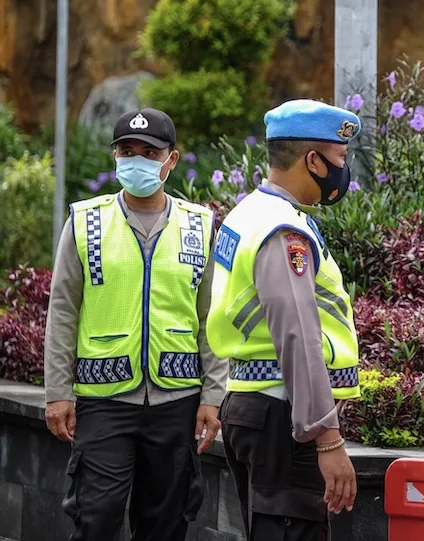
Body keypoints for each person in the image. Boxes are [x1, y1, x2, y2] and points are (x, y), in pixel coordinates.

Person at [44, 107, 228, 541]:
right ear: (116, 158)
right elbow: (63, 310)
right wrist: (57, 393)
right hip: (105, 402)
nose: (138, 160)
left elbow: (211, 319)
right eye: (128, 151)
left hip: (176, 403)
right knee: (96, 517)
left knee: (165, 524)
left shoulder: (199, 226)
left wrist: (213, 396)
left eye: (150, 152)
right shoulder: (85, 222)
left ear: (172, 160)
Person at [207, 99, 361, 541]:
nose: (343, 169)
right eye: (340, 158)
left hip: (255, 405)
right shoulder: (282, 230)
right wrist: (325, 437)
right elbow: (297, 335)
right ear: (312, 160)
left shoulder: (248, 213)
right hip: (284, 417)